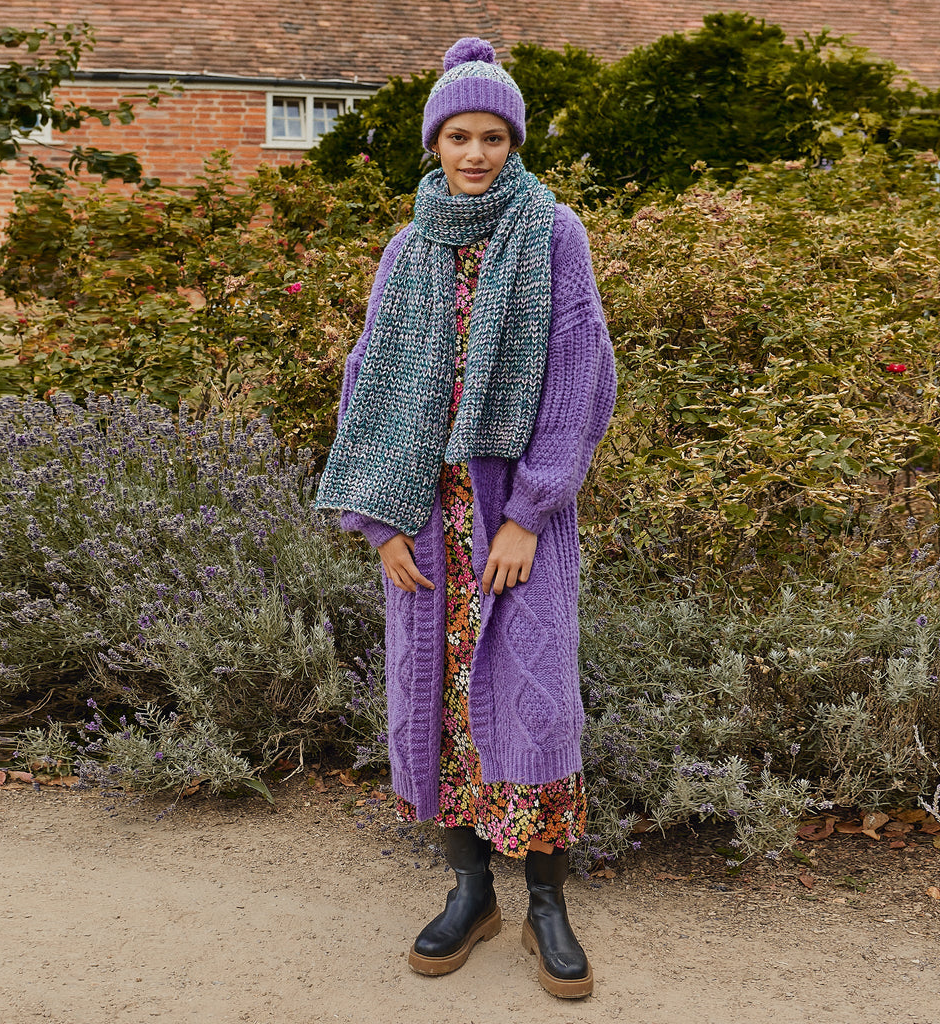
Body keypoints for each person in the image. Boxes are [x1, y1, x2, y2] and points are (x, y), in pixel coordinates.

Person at [316, 36, 617, 1000]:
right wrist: (379, 520)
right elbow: (370, 385)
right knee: (438, 702)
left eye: (492, 135)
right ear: (433, 144)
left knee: (532, 701)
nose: (475, 152)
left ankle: (547, 905)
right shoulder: (409, 249)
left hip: (513, 515)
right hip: (423, 519)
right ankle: (468, 891)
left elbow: (582, 378)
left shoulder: (551, 231)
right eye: (458, 135)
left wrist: (530, 511)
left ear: (515, 142)